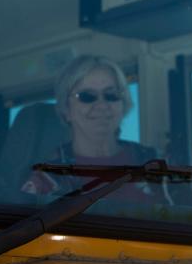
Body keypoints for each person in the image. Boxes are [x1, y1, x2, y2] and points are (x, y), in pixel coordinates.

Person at [22, 55, 157, 198]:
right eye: (86, 96)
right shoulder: (46, 180)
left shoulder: (153, 161)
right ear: (66, 110)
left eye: (111, 95)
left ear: (123, 104)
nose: (102, 105)